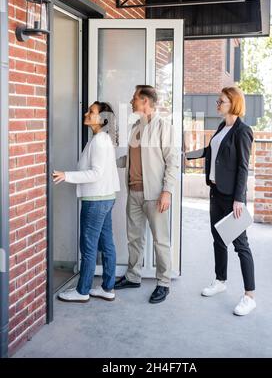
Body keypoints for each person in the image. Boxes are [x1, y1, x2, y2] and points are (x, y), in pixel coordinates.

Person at [186, 86, 256, 316]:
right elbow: (209, 151)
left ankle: (249, 296)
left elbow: (243, 167)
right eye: (218, 100)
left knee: (241, 245)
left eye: (221, 101)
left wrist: (239, 199)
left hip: (231, 197)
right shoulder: (222, 127)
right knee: (218, 239)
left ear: (233, 103)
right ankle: (220, 280)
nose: (217, 104)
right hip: (215, 192)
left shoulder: (242, 131)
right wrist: (184, 155)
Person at [115, 85, 179, 304]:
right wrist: (109, 163)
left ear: (145, 101)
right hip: (133, 191)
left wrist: (167, 192)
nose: (132, 101)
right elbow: (131, 159)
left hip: (154, 194)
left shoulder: (164, 127)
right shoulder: (135, 127)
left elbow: (172, 161)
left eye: (135, 98)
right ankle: (133, 276)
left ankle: (163, 283)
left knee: (161, 240)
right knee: (134, 238)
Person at [52, 102, 120, 303]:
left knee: (89, 246)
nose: (86, 113)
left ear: (102, 118)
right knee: (107, 244)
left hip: (96, 200)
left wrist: (66, 175)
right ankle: (107, 288)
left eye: (91, 112)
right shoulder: (103, 139)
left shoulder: (99, 141)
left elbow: (96, 173)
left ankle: (82, 291)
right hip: (106, 198)